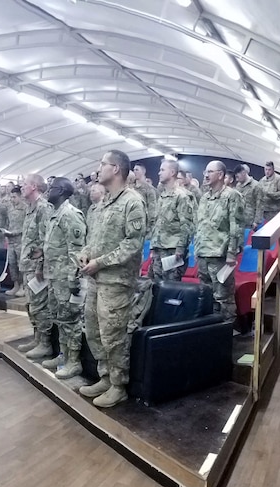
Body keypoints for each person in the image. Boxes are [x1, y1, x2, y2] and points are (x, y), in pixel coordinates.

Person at [77, 150, 145, 408]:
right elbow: (92, 240)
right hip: (95, 279)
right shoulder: (102, 204)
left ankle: (118, 386)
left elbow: (133, 244)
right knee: (94, 331)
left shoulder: (132, 202)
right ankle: (105, 377)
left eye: (103, 164)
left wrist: (100, 262)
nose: (98, 168)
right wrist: (84, 255)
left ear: (116, 169)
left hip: (116, 281)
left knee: (113, 335)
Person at [37, 177, 86, 378]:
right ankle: (63, 355)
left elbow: (77, 252)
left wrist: (74, 280)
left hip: (66, 279)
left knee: (70, 320)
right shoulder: (54, 215)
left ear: (63, 191)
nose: (48, 190)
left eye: (53, 188)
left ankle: (74, 362)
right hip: (54, 277)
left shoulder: (70, 215)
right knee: (59, 318)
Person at [194, 160, 244, 320]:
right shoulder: (204, 198)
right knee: (205, 297)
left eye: (210, 172)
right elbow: (200, 225)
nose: (206, 175)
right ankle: (210, 332)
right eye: (205, 172)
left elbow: (236, 225)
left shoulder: (232, 195)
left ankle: (226, 332)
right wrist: (197, 250)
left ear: (221, 175)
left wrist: (231, 252)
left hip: (220, 256)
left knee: (223, 299)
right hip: (203, 254)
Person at [18, 175, 53, 359]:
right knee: (31, 305)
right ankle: (37, 338)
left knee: (40, 305)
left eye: (24, 184)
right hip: (27, 265)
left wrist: (40, 266)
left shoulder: (43, 208)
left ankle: (45, 343)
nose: (21, 187)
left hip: (36, 268)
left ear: (34, 186)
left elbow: (45, 241)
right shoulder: (30, 208)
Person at [148, 158, 195, 282]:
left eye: (163, 170)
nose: (159, 173)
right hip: (160, 248)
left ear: (172, 172)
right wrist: (153, 246)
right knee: (157, 286)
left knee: (171, 286)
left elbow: (187, 225)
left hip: (173, 250)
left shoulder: (182, 196)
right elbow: (157, 223)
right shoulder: (162, 196)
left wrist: (180, 249)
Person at [3, 187, 26, 296]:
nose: (12, 199)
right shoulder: (10, 209)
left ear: (20, 196)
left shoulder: (25, 208)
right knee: (12, 264)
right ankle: (16, 285)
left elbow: (27, 226)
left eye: (14, 197)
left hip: (20, 240)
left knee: (20, 264)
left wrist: (16, 232)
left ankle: (23, 286)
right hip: (11, 241)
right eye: (11, 197)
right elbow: (8, 223)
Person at [235, 164, 264, 228]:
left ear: (243, 173)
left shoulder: (256, 186)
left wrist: (256, 222)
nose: (237, 180)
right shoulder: (238, 186)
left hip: (250, 222)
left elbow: (260, 205)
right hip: (239, 221)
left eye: (237, 177)